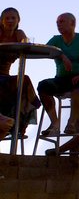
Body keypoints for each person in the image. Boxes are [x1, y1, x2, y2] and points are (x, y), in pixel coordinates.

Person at [37, 12, 79, 136]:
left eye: (62, 21)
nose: (59, 25)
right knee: (43, 86)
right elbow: (45, 51)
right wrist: (61, 55)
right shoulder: (56, 40)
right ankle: (55, 123)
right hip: (62, 78)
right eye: (57, 22)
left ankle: (72, 122)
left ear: (73, 23)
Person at [0, 7, 39, 137]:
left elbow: (25, 45)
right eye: (7, 18)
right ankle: (12, 124)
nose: (10, 21)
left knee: (24, 81)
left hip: (4, 77)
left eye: (13, 18)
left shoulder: (18, 34)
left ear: (18, 20)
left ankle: (20, 125)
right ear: (2, 21)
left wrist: (23, 39)